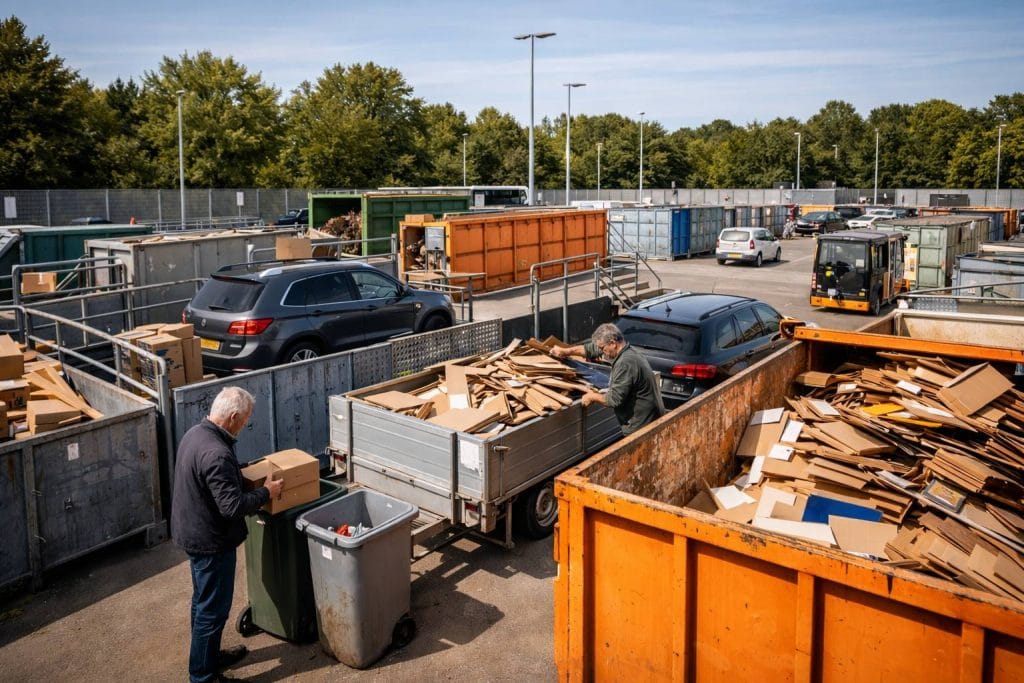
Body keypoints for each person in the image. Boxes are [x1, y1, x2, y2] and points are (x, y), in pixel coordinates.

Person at [171, 386, 284, 683]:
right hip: (210, 542)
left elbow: (214, 485)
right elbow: (232, 507)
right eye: (244, 420)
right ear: (232, 416)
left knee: (202, 602)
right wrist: (266, 492)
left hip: (192, 532)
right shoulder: (217, 453)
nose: (244, 426)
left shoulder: (196, 433)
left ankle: (208, 656)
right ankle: (203, 675)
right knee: (212, 610)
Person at [550, 323, 663, 437]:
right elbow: (591, 349)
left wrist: (592, 396)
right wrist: (565, 352)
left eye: (602, 348)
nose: (601, 352)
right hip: (648, 419)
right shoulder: (626, 350)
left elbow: (614, 399)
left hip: (642, 427)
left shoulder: (625, 363)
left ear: (613, 343)